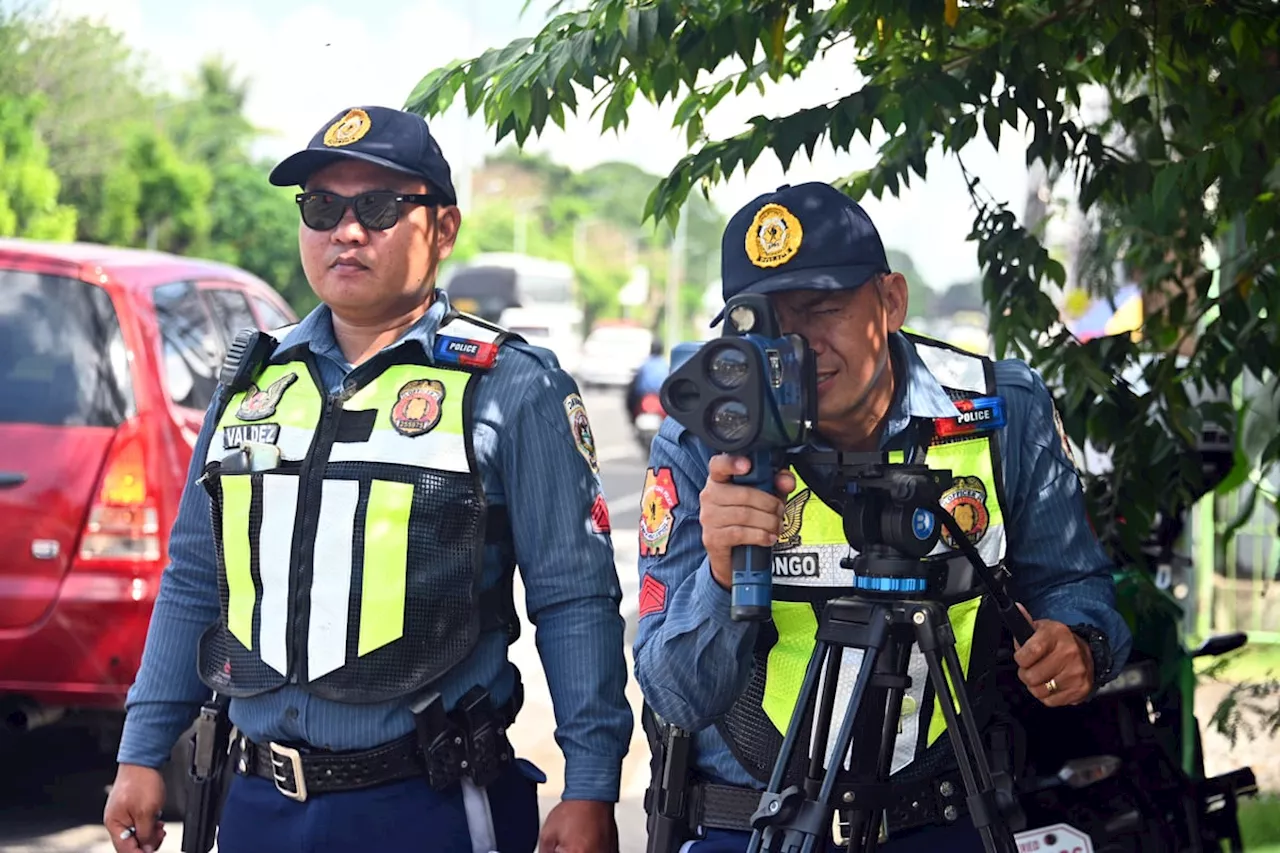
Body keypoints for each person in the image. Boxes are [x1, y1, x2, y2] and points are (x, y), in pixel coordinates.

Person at [103, 105, 632, 853]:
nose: (345, 231)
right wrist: (141, 747)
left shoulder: (514, 386)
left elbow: (575, 597)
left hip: (430, 805)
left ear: (442, 230)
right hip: (257, 804)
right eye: (322, 206)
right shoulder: (252, 379)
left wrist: (591, 786)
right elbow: (196, 572)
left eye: (379, 207)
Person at [633, 182, 1133, 852]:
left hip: (944, 818)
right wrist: (721, 579)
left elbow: (1076, 585)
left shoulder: (999, 411)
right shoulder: (702, 440)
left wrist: (1080, 643)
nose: (799, 346)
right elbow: (676, 697)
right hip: (749, 825)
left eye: (822, 310)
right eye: (768, 323)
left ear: (891, 301)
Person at [626, 338, 669, 419]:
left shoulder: (645, 364)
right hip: (659, 398)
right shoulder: (665, 364)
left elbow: (636, 383)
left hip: (646, 398)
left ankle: (632, 419)